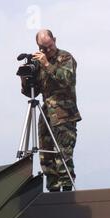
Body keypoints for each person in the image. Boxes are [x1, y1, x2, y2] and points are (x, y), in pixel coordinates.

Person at [21, 29, 82, 192]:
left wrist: (47, 64)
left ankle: (68, 193)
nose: (48, 50)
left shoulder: (65, 57)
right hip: (47, 115)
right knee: (47, 158)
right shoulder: (39, 62)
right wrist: (25, 77)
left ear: (54, 40)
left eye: (50, 46)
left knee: (64, 157)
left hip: (64, 115)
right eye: (43, 48)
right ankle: (53, 191)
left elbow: (67, 80)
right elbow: (32, 91)